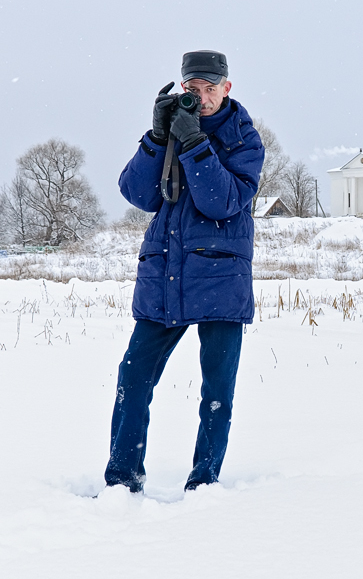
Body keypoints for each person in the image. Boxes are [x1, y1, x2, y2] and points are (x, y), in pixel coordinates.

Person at [104, 49, 264, 493]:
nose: (202, 97)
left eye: (210, 89)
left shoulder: (244, 139)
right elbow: (138, 194)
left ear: (227, 88)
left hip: (221, 280)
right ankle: (122, 479)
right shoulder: (172, 128)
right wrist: (158, 138)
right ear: (182, 86)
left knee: (216, 392)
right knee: (133, 378)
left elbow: (222, 202)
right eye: (193, 89)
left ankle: (204, 481)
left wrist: (194, 143)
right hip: (166, 276)